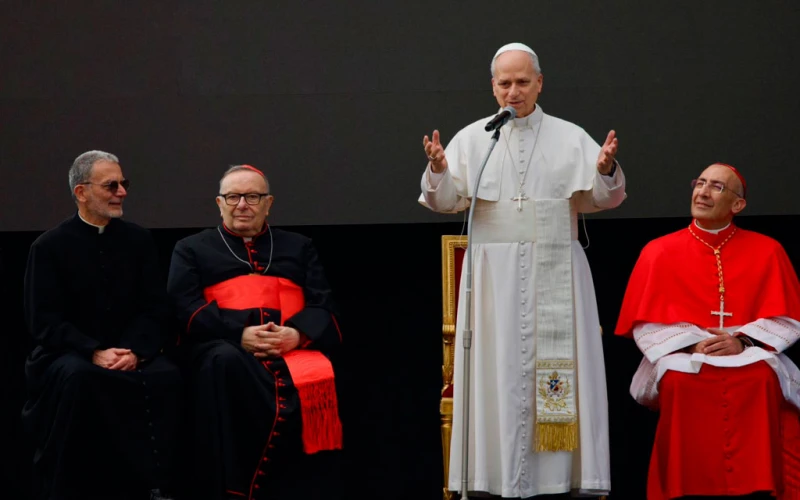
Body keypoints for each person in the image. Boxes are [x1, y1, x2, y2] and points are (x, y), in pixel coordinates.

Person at [419, 42, 626, 498]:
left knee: (557, 369)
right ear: (493, 87)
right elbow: (447, 202)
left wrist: (606, 171)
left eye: (522, 82)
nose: (513, 92)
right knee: (498, 372)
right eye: (505, 83)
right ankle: (492, 476)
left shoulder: (570, 135)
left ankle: (563, 478)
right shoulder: (475, 138)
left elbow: (603, 197)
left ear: (539, 83)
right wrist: (438, 170)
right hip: (492, 278)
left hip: (556, 270)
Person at [615, 162, 800, 499]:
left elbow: (787, 318)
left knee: (761, 378)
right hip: (684, 354)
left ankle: (760, 487)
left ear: (738, 204)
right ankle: (682, 486)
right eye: (700, 183)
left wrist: (742, 341)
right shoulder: (658, 251)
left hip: (747, 350)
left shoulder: (768, 250)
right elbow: (646, 324)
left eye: (716, 186)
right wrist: (691, 346)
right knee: (681, 381)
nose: (702, 192)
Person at [167, 165, 343, 500]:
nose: (242, 204)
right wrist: (239, 334)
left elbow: (323, 304)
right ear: (219, 203)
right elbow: (185, 306)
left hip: (292, 348)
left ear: (269, 203)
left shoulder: (299, 246)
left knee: (330, 371)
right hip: (224, 345)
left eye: (252, 196)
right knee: (224, 361)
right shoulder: (191, 248)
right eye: (233, 196)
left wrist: (296, 335)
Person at [23, 150, 182, 500]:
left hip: (130, 350)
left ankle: (156, 486)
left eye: (124, 184)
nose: (122, 192)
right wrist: (93, 351)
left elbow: (156, 308)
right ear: (81, 192)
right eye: (111, 185)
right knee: (80, 378)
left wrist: (136, 351)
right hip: (69, 352)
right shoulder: (48, 247)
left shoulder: (138, 240)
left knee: (168, 375)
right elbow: (44, 321)